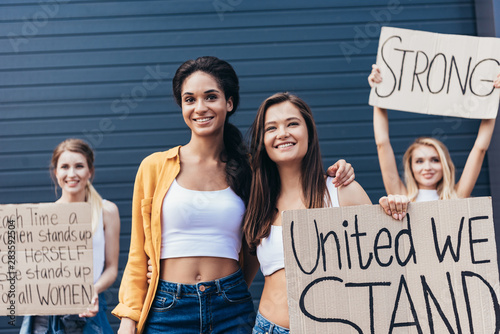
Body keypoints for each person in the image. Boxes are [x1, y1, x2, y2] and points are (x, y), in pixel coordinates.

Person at [112, 56, 355, 334]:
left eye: (211, 97)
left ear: (229, 102)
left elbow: (261, 232)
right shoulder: (154, 167)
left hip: (231, 305)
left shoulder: (250, 170)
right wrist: (128, 319)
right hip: (167, 307)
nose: (200, 107)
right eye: (189, 99)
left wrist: (338, 172)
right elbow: (137, 253)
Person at [242, 92, 408, 334]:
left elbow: (387, 264)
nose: (282, 133)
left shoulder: (342, 191)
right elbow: (240, 281)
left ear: (309, 131)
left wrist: (396, 211)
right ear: (262, 140)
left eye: (292, 124)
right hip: (269, 328)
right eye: (271, 128)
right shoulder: (258, 203)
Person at [20, 138, 120, 334]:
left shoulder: (106, 211)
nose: (72, 174)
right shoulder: (42, 214)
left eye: (79, 166)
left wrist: (94, 289)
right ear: (55, 172)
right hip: (45, 316)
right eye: (64, 167)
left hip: (88, 310)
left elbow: (111, 268)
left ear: (90, 171)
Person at [369, 65, 500, 202]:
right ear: (411, 167)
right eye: (419, 161)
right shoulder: (401, 197)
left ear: (445, 165)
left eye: (435, 160)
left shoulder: (456, 197)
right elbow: (382, 144)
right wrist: (379, 92)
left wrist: (495, 94)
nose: (427, 167)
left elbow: (480, 148)